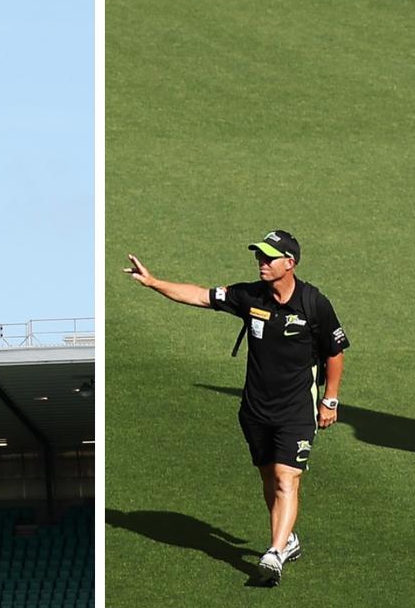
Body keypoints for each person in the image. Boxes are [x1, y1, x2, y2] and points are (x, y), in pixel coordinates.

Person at [125, 229, 349, 585]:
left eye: (268, 257)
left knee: (286, 478)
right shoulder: (249, 296)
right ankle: (287, 539)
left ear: (289, 264)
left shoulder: (313, 303)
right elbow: (200, 296)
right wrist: (153, 282)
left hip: (296, 411)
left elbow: (335, 352)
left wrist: (330, 400)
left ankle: (274, 553)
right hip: (256, 410)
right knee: (268, 477)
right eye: (258, 256)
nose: (260, 262)